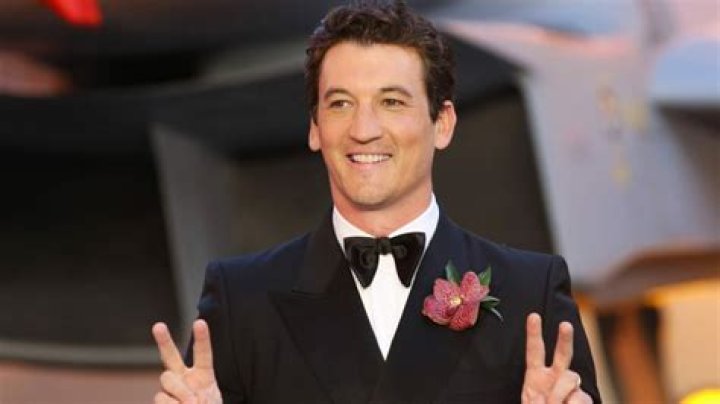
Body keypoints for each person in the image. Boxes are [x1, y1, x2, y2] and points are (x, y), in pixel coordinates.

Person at [151, 1, 601, 403]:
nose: (363, 129)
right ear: (315, 128)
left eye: (391, 102)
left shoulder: (530, 292)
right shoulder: (241, 299)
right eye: (341, 104)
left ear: (442, 124)